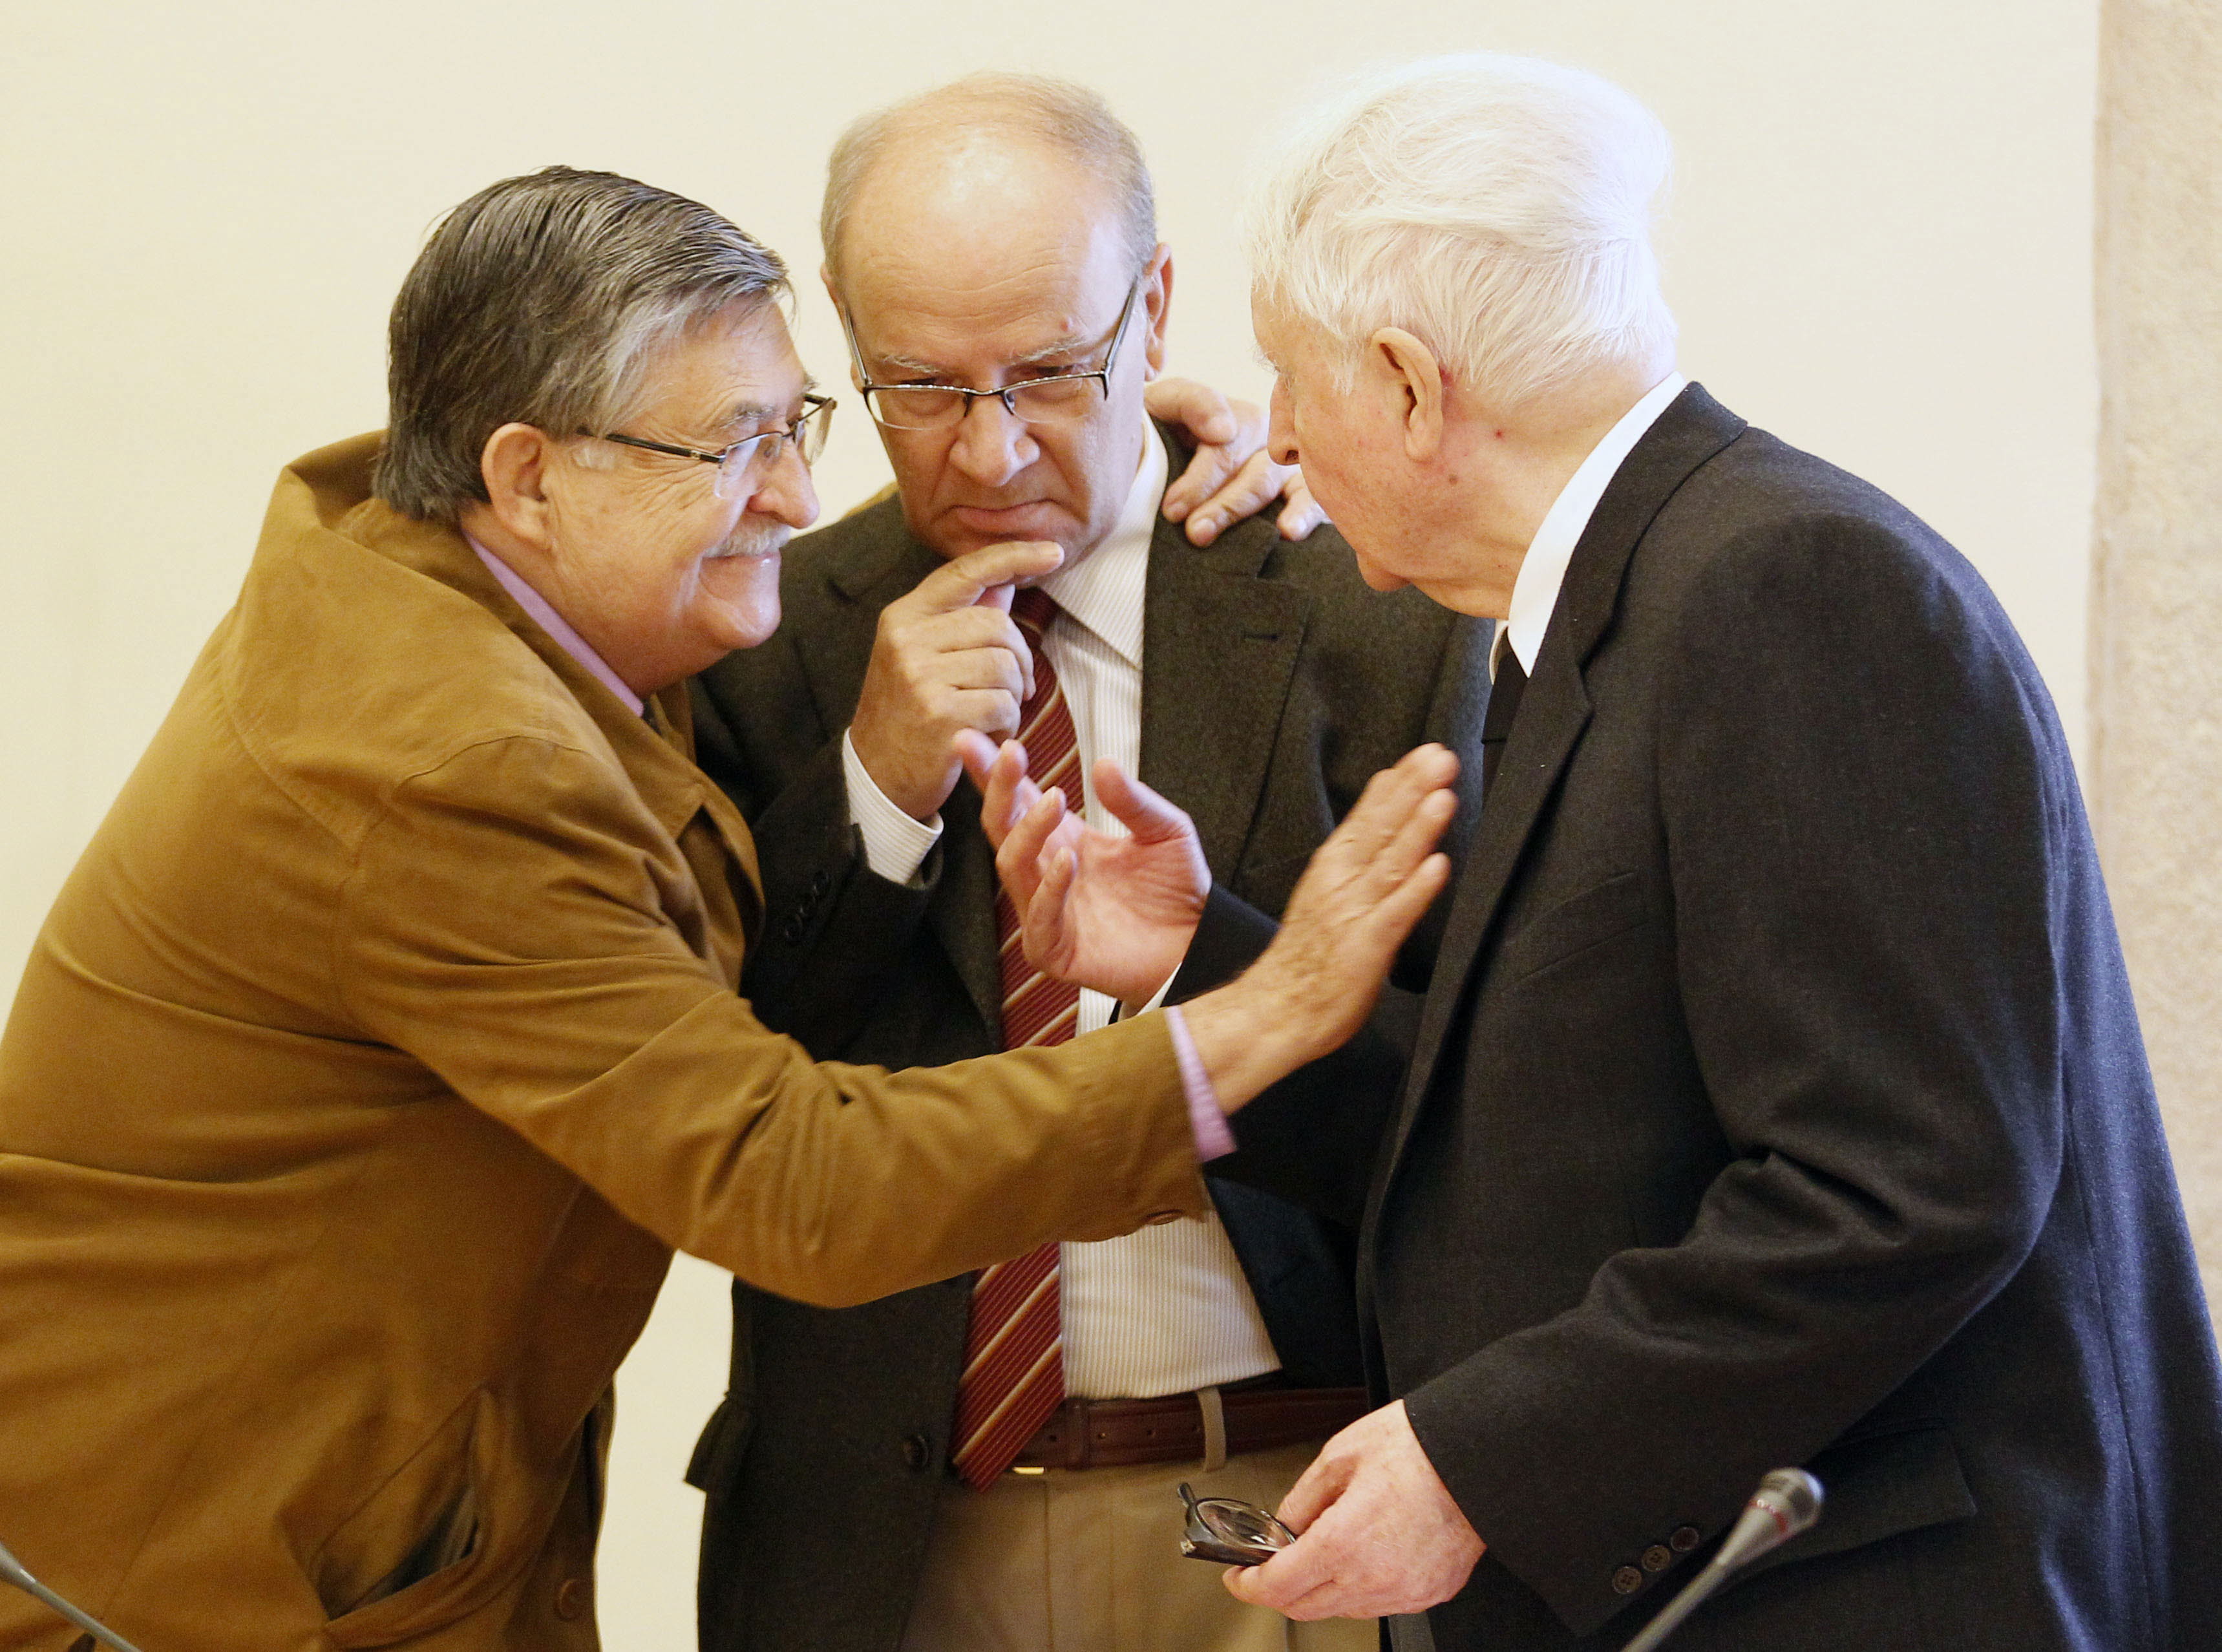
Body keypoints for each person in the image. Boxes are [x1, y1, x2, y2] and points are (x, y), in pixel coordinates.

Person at [0, 165, 1461, 1652]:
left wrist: (1127, 435)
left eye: (794, 424)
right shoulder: (447, 757)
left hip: (396, 1528)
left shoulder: (491, 586)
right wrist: (1257, 1016)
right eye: (736, 443)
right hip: (197, 1565)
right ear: (527, 474)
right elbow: (796, 1181)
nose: (797, 496)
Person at [973, 54, 2222, 1652]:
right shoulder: (1600, 616)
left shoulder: (1790, 589)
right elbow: (1532, 1157)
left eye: (1296, 376)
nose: (1270, 430)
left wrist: (1481, 1465)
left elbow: (1909, 1185)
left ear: (1413, 386)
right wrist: (1203, 965)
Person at [684, 72, 1491, 1652]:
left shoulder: (1366, 613)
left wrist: (1221, 962)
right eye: (920, 386)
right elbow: (718, 1088)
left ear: (1156, 307)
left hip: (1272, 1501)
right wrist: (874, 791)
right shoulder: (766, 632)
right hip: (886, 1540)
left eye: (1049, 371)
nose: (989, 452)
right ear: (844, 343)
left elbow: (1472, 1121)